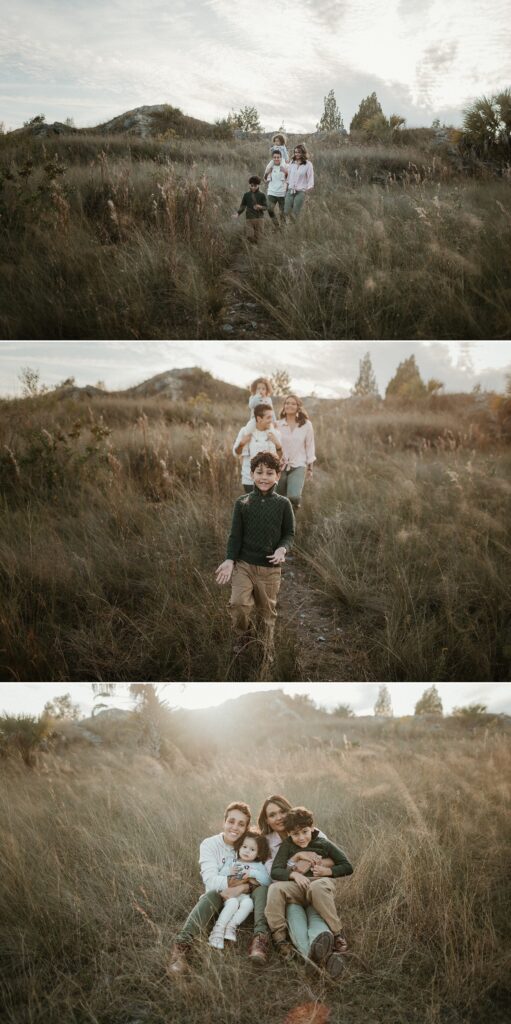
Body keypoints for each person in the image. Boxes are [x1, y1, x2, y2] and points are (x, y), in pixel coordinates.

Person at [168, 801, 272, 972]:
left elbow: (263, 877)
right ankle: (181, 948)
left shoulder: (250, 845)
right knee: (212, 894)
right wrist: (242, 884)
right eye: (231, 821)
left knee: (262, 888)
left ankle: (260, 940)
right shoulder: (209, 844)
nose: (235, 827)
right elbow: (211, 880)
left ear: (246, 827)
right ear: (224, 822)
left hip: (246, 906)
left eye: (241, 824)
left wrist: (242, 888)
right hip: (218, 901)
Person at [215, 452, 295, 654]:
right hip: (244, 565)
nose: (264, 477)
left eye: (269, 473)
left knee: (267, 614)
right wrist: (230, 560)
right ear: (251, 475)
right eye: (259, 472)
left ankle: (266, 651)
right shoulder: (242, 503)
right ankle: (243, 636)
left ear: (278, 476)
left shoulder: (283, 504)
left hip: (269, 569)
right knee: (239, 604)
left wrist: (282, 548)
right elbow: (235, 536)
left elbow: (289, 534)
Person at [257, 795, 342, 972]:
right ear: (267, 820)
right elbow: (273, 875)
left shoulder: (310, 831)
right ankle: (321, 961)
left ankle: (317, 956)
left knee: (317, 919)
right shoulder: (265, 842)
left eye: (282, 811)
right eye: (272, 815)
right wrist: (296, 862)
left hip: (315, 889)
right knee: (296, 922)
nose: (279, 817)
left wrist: (310, 863)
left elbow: (334, 860)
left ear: (290, 811)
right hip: (290, 895)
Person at [208, 831, 271, 949]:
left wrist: (252, 873)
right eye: (244, 847)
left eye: (252, 850)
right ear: (239, 847)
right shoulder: (232, 862)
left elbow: (267, 881)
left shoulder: (258, 866)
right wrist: (229, 871)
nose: (247, 851)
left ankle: (231, 927)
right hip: (229, 894)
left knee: (249, 904)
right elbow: (220, 875)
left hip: (244, 895)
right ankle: (217, 931)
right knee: (232, 903)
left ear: (258, 854)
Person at [276, 394, 316, 509]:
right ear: (284, 406)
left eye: (293, 403)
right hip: (280, 465)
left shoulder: (306, 425)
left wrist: (310, 468)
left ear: (298, 407)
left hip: (298, 465)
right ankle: (280, 523)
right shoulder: (278, 424)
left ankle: (291, 522)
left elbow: (310, 446)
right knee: (279, 498)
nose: (290, 405)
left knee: (293, 497)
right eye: (287, 403)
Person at [232, 405, 283, 493]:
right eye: (268, 417)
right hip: (249, 478)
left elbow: (278, 458)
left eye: (272, 417)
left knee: (269, 506)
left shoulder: (275, 434)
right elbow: (236, 453)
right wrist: (242, 443)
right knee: (253, 506)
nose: (272, 420)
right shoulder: (245, 431)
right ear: (259, 418)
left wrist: (277, 444)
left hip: (269, 479)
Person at [233, 175, 267, 244]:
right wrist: (238, 214)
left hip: (259, 219)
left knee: (259, 238)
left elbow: (266, 207)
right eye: (252, 185)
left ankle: (257, 251)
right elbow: (243, 205)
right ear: (249, 185)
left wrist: (260, 207)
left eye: (255, 186)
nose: (253, 187)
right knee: (249, 236)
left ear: (258, 185)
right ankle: (251, 248)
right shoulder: (246, 195)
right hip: (249, 218)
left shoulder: (262, 195)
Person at [284, 143, 314, 218]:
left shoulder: (308, 164)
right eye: (295, 152)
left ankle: (293, 227)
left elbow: (310, 178)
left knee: (295, 213)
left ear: (303, 153)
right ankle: (286, 227)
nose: (297, 154)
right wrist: (286, 189)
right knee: (286, 211)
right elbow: (288, 178)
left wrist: (307, 192)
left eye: (299, 152)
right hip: (290, 190)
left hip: (301, 191)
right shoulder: (292, 162)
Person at [263, 149, 288, 226]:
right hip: (272, 192)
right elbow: (265, 179)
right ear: (272, 158)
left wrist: (285, 172)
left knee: (282, 213)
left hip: (282, 193)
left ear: (281, 157)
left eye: (278, 157)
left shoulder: (286, 166)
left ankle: (283, 228)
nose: (276, 159)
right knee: (270, 209)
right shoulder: (270, 167)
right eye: (275, 157)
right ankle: (276, 225)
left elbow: (290, 179)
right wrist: (267, 173)